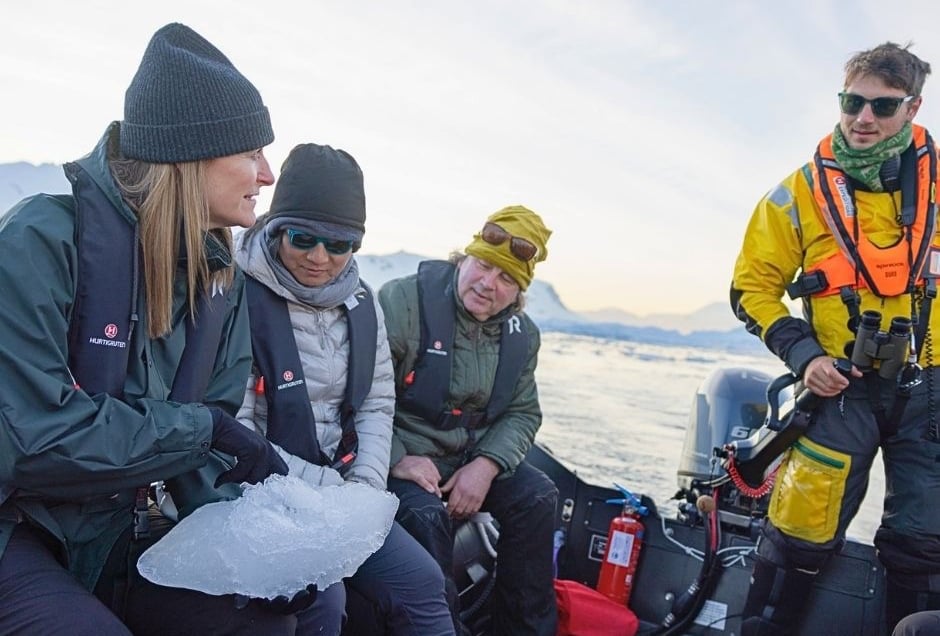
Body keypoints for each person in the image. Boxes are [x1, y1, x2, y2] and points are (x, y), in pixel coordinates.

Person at [0, 23, 301, 635]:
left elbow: (201, 457)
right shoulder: (41, 240)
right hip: (19, 523)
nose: (267, 174)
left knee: (277, 616)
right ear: (191, 155)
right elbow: (32, 439)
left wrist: (260, 551)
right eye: (251, 152)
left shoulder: (223, 282)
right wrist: (204, 427)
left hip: (123, 526)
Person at [730, 42, 940, 635]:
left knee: (927, 544)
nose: (863, 118)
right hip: (838, 386)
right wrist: (805, 356)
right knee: (798, 531)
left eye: (882, 105)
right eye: (852, 102)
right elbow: (751, 288)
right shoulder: (795, 195)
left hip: (930, 394)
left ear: (913, 107)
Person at [234, 142, 455, 636]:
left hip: (344, 492)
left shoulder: (362, 303)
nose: (319, 258)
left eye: (339, 245)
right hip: (266, 492)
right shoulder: (235, 295)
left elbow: (378, 402)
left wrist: (364, 491)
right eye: (303, 238)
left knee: (423, 581)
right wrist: (327, 492)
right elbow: (237, 427)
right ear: (274, 227)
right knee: (322, 601)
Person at [378, 205, 559, 636]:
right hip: (402, 455)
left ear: (519, 293)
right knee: (424, 517)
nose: (487, 284)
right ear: (465, 257)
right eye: (482, 266)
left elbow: (522, 412)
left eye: (506, 279)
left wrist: (486, 466)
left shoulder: (523, 335)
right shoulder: (403, 302)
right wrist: (396, 457)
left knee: (538, 497)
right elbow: (359, 396)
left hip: (469, 458)